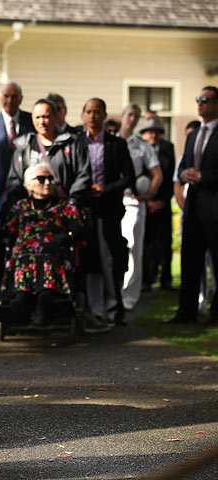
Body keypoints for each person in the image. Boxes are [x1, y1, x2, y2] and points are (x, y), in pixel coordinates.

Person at [3, 163, 84, 326]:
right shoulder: (20, 207)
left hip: (52, 251)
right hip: (23, 254)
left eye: (50, 179)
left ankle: (45, 298)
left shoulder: (63, 206)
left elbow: (78, 229)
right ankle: (20, 298)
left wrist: (63, 237)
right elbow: (8, 231)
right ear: (29, 185)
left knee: (46, 259)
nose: (47, 183)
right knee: (21, 260)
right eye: (41, 179)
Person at [163, 86, 218, 325]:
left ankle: (216, 312)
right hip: (194, 208)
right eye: (198, 99)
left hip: (215, 208)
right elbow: (185, 162)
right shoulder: (194, 135)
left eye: (204, 100)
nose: (199, 104)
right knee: (190, 261)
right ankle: (186, 311)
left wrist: (204, 177)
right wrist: (185, 173)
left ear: (216, 104)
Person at [81, 98, 135, 328]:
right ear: (84, 115)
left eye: (97, 112)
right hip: (84, 209)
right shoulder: (75, 143)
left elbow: (129, 176)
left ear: (104, 116)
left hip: (109, 210)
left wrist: (107, 189)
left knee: (111, 260)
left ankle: (115, 307)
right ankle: (90, 309)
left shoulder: (117, 144)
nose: (93, 116)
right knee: (88, 261)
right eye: (89, 112)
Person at [6, 98, 91, 210]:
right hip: (31, 212)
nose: (42, 122)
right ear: (32, 119)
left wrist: (72, 202)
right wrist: (22, 206)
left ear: (55, 117)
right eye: (38, 117)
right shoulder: (24, 146)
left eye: (46, 117)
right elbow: (14, 180)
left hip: (64, 211)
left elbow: (83, 175)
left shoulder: (72, 144)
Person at [117, 104, 162, 313]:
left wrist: (148, 194)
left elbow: (158, 175)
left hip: (134, 203)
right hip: (113, 201)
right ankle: (114, 293)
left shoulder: (142, 146)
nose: (132, 119)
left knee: (134, 249)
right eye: (130, 115)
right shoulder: (112, 141)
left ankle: (129, 295)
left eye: (137, 116)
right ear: (123, 116)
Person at [0, 81, 34, 224]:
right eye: (6, 96)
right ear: (0, 98)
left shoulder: (31, 120)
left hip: (25, 187)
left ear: (21, 99)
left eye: (14, 96)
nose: (10, 100)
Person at [140, 117, 176, 292]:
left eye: (156, 132)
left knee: (165, 243)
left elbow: (170, 179)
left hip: (163, 204)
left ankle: (166, 279)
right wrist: (147, 201)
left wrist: (162, 201)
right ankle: (146, 279)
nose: (153, 135)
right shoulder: (139, 150)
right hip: (144, 203)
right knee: (146, 244)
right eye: (150, 131)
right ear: (144, 134)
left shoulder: (168, 150)